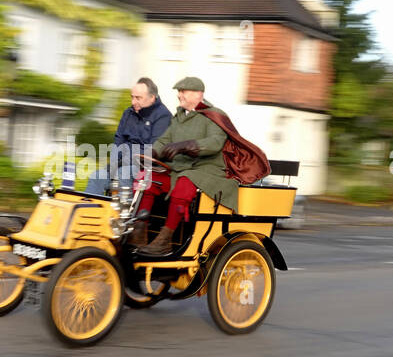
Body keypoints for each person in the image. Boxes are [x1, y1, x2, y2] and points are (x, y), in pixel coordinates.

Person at [136, 76, 270, 255]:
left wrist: (185, 145)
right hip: (182, 168)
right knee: (148, 177)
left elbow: (215, 142)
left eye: (183, 92)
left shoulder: (214, 115)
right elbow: (163, 141)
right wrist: (151, 153)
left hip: (208, 171)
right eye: (179, 92)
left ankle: (164, 241)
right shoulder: (179, 118)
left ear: (198, 94)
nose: (179, 96)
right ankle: (138, 234)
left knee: (185, 180)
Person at [84, 77, 171, 196]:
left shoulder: (163, 117)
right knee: (96, 176)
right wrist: (114, 162)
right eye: (132, 97)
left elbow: (152, 149)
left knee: (123, 173)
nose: (133, 102)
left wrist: (120, 163)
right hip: (122, 163)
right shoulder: (128, 113)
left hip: (147, 166)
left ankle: (121, 212)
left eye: (138, 98)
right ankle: (90, 211)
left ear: (152, 98)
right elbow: (118, 140)